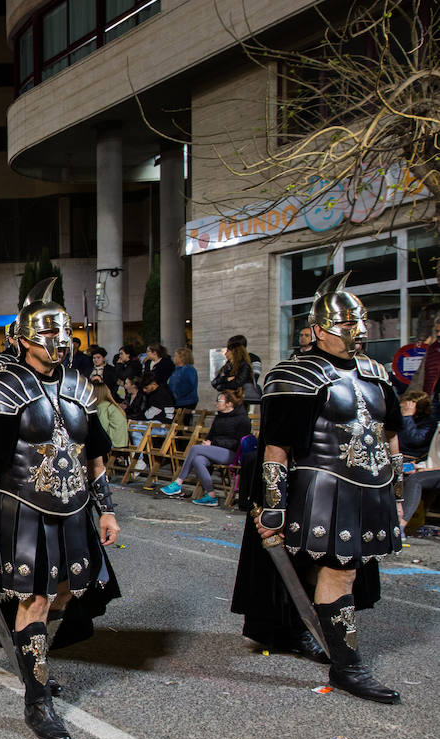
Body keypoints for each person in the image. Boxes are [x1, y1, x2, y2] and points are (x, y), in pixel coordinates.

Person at [0, 279, 121, 739]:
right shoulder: (1, 387)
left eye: (64, 332)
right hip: (22, 510)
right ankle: (37, 699)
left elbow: (95, 455)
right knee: (36, 599)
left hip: (75, 509)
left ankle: (35, 665)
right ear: (24, 339)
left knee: (67, 594)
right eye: (48, 333)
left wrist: (106, 510)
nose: (59, 341)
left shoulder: (82, 386)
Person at [230, 272, 403, 703]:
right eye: (347, 325)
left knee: (342, 572)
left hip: (371, 488)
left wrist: (397, 498)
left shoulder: (377, 373)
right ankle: (347, 665)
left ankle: (328, 646)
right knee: (337, 571)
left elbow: (390, 437)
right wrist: (273, 506)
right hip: (322, 490)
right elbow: (277, 448)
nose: (357, 333)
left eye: (360, 322)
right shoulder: (297, 374)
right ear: (321, 330)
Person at [160, 390, 251, 504]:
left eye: (219, 401)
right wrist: (208, 441)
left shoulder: (243, 419)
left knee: (194, 449)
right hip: (215, 450)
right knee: (198, 460)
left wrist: (213, 443)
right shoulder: (220, 417)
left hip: (231, 453)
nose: (215, 403)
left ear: (229, 404)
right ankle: (211, 495)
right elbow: (211, 435)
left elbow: (239, 443)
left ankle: (178, 482)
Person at [92, 379, 129, 452]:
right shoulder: (111, 405)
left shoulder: (102, 406)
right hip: (122, 441)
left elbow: (102, 427)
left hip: (114, 441)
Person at [399, 392, 436, 460]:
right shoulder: (400, 418)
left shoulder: (429, 424)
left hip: (412, 459)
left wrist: (407, 416)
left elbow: (414, 440)